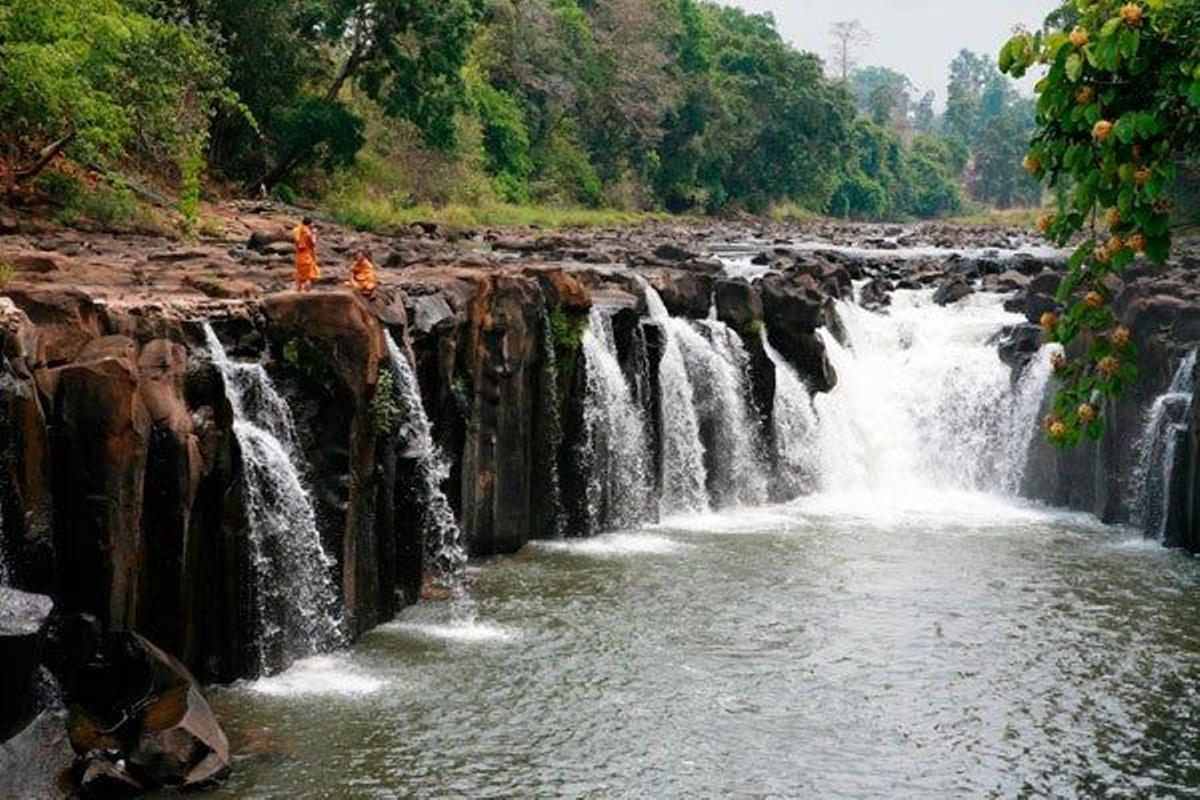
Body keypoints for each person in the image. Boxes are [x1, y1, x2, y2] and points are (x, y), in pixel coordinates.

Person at [293, 217, 320, 292]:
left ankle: (299, 290)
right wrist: (314, 234)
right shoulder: (308, 233)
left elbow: (297, 240)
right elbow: (313, 243)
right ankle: (306, 291)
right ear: (310, 224)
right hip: (307, 255)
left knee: (300, 274)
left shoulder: (297, 230)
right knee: (310, 275)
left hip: (299, 255)